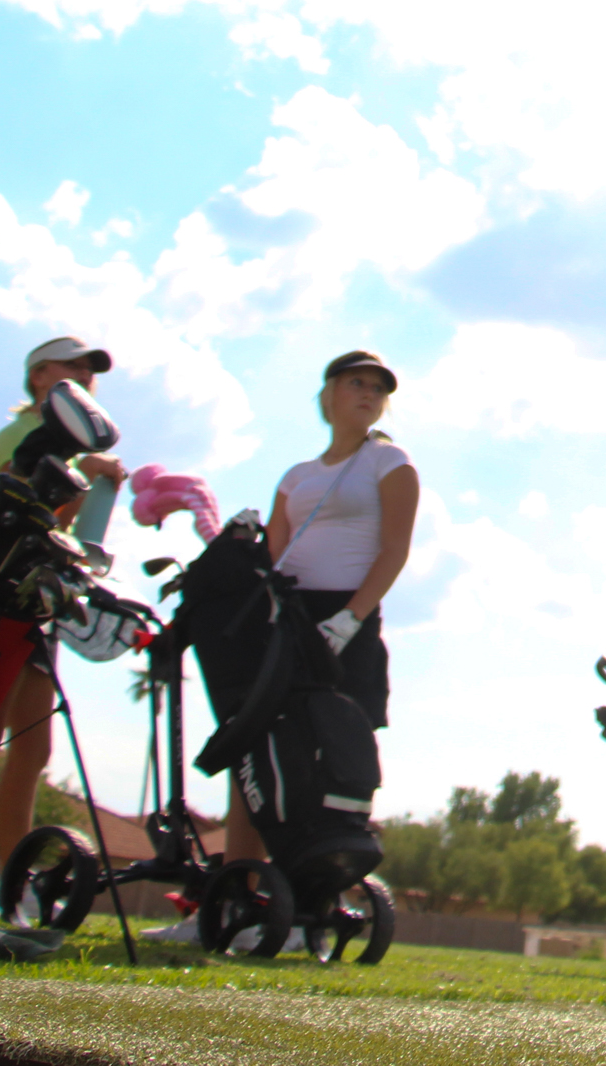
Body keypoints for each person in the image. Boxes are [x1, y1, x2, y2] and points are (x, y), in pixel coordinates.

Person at [0, 335, 126, 919]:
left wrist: (92, 482)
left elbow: (66, 529)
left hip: (34, 602)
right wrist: (83, 473)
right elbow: (24, 502)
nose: (86, 378)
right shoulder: (25, 433)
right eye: (74, 368)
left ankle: (18, 883)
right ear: (40, 377)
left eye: (92, 371)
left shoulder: (68, 447)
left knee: (33, 747)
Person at [220, 349, 415, 864]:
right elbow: (275, 555)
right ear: (328, 394)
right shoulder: (296, 474)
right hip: (289, 617)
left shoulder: (390, 462)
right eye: (357, 383)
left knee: (335, 753)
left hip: (347, 619)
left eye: (378, 388)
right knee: (255, 748)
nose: (369, 394)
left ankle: (318, 895)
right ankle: (238, 891)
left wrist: (351, 618)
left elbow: (395, 550)